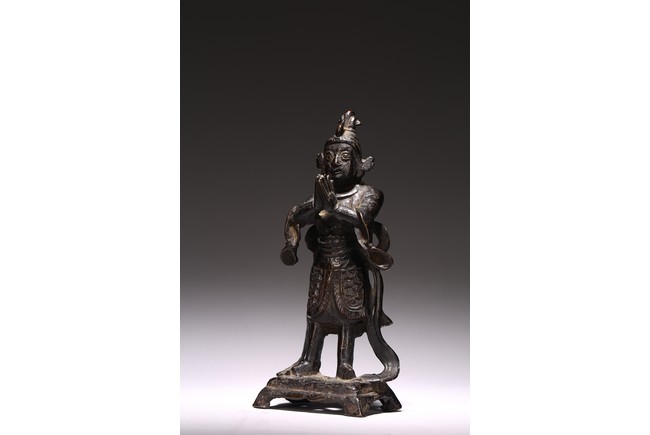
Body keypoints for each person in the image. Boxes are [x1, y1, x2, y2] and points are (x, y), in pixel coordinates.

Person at [277, 110, 398, 381]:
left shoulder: (368, 194)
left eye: (344, 157)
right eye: (330, 156)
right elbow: (296, 215)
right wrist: (294, 241)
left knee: (347, 316)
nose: (335, 162)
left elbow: (362, 218)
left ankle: (345, 365)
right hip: (321, 266)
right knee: (316, 314)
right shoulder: (320, 196)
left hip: (349, 266)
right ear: (321, 162)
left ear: (358, 164)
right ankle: (309, 361)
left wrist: (332, 207)